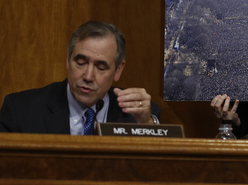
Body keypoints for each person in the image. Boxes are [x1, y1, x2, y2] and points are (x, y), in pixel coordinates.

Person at [0, 21, 160, 134]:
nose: (88, 76)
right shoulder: (20, 111)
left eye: (101, 67)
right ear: (68, 61)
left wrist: (146, 124)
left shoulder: (139, 115)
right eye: (81, 62)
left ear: (118, 70)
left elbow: (157, 172)